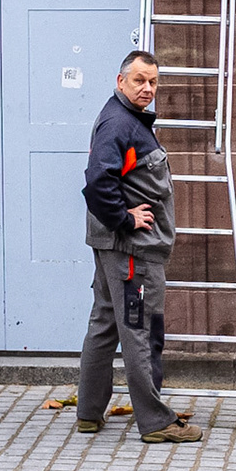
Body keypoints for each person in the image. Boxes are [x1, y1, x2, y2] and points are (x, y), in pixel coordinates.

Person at [75, 50, 200, 443]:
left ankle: (89, 413)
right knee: (139, 329)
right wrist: (127, 220)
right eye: (139, 81)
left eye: (153, 82)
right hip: (129, 249)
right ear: (120, 81)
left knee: (106, 322)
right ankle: (156, 421)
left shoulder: (128, 120)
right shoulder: (119, 123)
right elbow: (97, 182)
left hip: (113, 245)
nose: (147, 89)